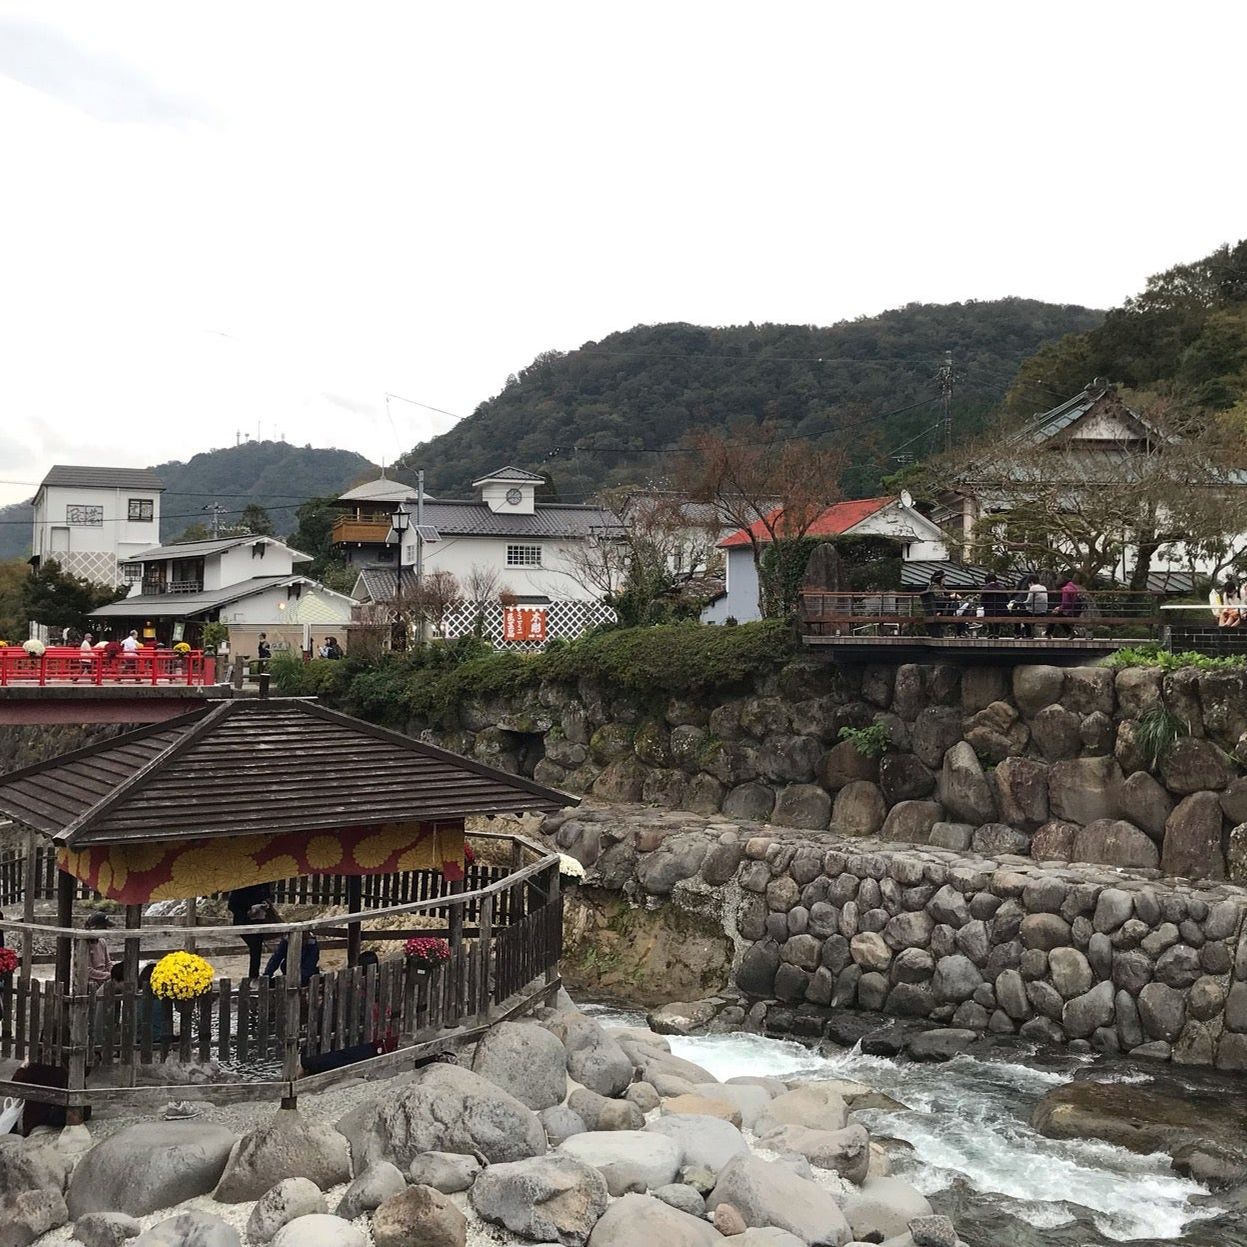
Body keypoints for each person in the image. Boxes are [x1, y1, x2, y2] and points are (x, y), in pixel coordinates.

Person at [228, 884, 275, 979]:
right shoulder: (242, 884)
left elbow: (267, 897)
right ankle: (253, 976)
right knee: (255, 946)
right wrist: (249, 910)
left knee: (256, 948)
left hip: (259, 920)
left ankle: (254, 976)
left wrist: (265, 904)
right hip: (243, 921)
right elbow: (232, 905)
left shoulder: (264, 883)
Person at [83, 913, 113, 987]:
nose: (106, 930)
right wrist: (108, 975)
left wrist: (114, 973)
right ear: (94, 927)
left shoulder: (102, 941)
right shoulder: (84, 944)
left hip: (104, 979)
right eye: (104, 927)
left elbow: (108, 963)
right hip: (91, 982)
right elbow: (87, 970)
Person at [980, 573, 1008, 638]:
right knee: (997, 616)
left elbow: (983, 602)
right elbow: (1007, 600)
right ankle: (996, 632)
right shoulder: (1002, 588)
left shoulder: (985, 589)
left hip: (989, 610)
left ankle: (991, 631)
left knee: (987, 613)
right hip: (1001, 610)